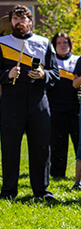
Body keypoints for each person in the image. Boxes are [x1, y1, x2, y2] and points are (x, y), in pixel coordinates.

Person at [0, 5, 59, 201]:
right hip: (11, 102)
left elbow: (56, 73)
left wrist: (44, 74)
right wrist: (7, 75)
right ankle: (9, 191)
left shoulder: (43, 43)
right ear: (11, 22)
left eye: (23, 18)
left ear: (30, 21)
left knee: (41, 148)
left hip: (38, 102)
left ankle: (42, 192)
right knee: (10, 148)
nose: (19, 22)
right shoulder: (1, 43)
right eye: (15, 19)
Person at [46, 33, 81, 178]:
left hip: (76, 108)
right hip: (56, 108)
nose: (62, 45)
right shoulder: (50, 61)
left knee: (78, 140)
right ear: (54, 45)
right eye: (59, 43)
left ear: (70, 45)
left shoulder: (77, 60)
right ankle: (58, 173)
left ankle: (78, 175)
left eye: (65, 42)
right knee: (58, 143)